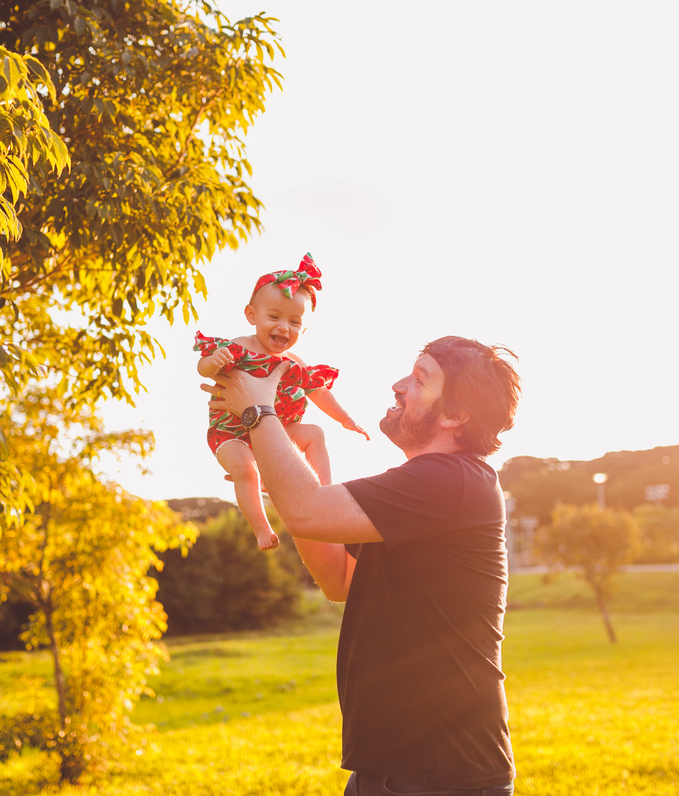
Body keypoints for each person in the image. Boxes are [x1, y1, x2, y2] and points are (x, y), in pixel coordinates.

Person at [204, 336, 521, 795]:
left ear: (454, 415)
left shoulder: (450, 480)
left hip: (440, 776)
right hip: (388, 769)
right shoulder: (423, 489)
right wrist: (287, 472)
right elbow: (338, 577)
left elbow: (307, 512)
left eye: (419, 380)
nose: (398, 385)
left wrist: (258, 411)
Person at [195, 253, 368, 550]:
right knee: (246, 470)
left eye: (294, 321)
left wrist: (344, 418)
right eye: (274, 317)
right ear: (252, 315)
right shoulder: (238, 348)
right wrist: (214, 360)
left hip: (275, 431)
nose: (284, 327)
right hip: (232, 433)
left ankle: (324, 494)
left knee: (314, 433)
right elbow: (204, 369)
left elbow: (319, 392)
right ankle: (261, 528)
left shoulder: (293, 363)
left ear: (304, 328)